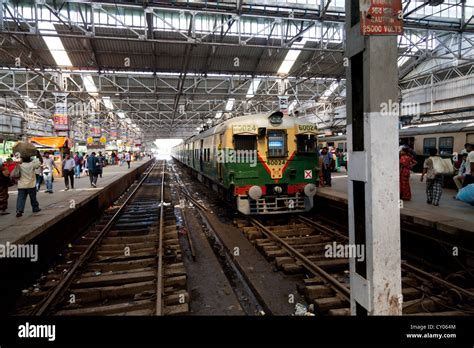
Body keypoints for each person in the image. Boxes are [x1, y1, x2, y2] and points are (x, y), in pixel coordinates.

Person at [16, 151, 43, 217]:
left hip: (21, 185)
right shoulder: (32, 165)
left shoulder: (20, 165)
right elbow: (40, 161)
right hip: (31, 185)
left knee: (21, 198)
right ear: (29, 159)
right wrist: (38, 154)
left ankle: (19, 210)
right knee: (33, 198)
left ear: (22, 159)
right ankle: (35, 208)